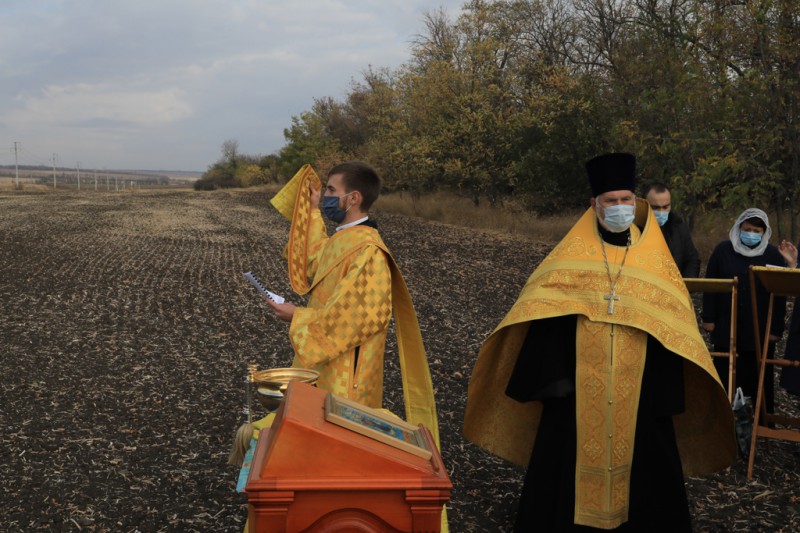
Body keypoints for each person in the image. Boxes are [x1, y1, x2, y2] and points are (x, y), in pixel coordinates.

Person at [463, 153, 736, 532]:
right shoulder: (569, 257)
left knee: (646, 482)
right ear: (594, 204)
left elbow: (674, 323)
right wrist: (557, 381)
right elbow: (544, 310)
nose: (620, 207)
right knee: (563, 476)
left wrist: (663, 389)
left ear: (635, 202)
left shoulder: (655, 261)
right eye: (611, 200)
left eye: (626, 199)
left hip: (640, 395)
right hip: (576, 395)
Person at [266, 160, 439, 442]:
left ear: (353, 198)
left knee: (340, 438)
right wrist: (312, 210)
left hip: (348, 369)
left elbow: (359, 317)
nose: (326, 197)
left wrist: (297, 316)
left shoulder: (369, 251)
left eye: (331, 190)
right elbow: (314, 261)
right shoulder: (344, 238)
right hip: (323, 358)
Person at [702, 209, 793, 414]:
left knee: (759, 376)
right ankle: (723, 418)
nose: (751, 234)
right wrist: (709, 318)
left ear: (764, 232)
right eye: (747, 229)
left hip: (759, 328)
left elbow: (778, 295)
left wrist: (776, 329)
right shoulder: (723, 250)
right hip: (727, 324)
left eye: (756, 231)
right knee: (725, 373)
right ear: (739, 228)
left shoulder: (772, 255)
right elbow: (711, 285)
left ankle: (761, 422)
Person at [645, 182, 701, 277]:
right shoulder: (634, 230)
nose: (661, 212)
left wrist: (685, 284)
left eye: (665, 207)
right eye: (655, 207)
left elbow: (692, 260)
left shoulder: (678, 227)